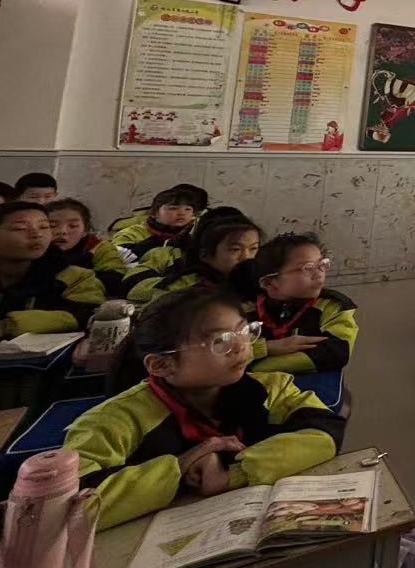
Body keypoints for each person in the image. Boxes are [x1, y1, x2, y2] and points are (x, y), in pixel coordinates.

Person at [65, 287, 345, 529]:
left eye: (244, 331)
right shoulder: (112, 420)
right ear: (162, 364)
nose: (242, 347)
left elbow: (324, 430)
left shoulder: (271, 388)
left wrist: (231, 474)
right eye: (221, 341)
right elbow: (70, 504)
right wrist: (181, 466)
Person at [244, 233, 357, 373]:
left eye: (322, 264)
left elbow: (336, 352)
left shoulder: (332, 306)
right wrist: (267, 347)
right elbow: (225, 352)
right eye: (308, 268)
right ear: (269, 282)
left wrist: (254, 367)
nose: (319, 274)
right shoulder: (244, 311)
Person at [0, 201, 105, 335]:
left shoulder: (75, 277)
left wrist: (7, 326)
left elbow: (88, 314)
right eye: (20, 228)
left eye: (44, 227)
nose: (37, 234)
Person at [126, 212, 262, 307]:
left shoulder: (261, 280)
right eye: (235, 249)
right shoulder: (191, 286)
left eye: (254, 248)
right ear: (206, 255)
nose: (246, 257)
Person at [47, 198, 131, 296]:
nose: (62, 231)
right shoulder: (36, 251)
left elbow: (115, 279)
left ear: (85, 230)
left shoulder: (98, 248)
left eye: (73, 226)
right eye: (52, 226)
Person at [111, 188, 199, 258]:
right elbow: (118, 259)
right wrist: (162, 243)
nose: (181, 213)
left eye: (188, 209)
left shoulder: (198, 233)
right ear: (154, 213)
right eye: (173, 208)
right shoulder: (131, 234)